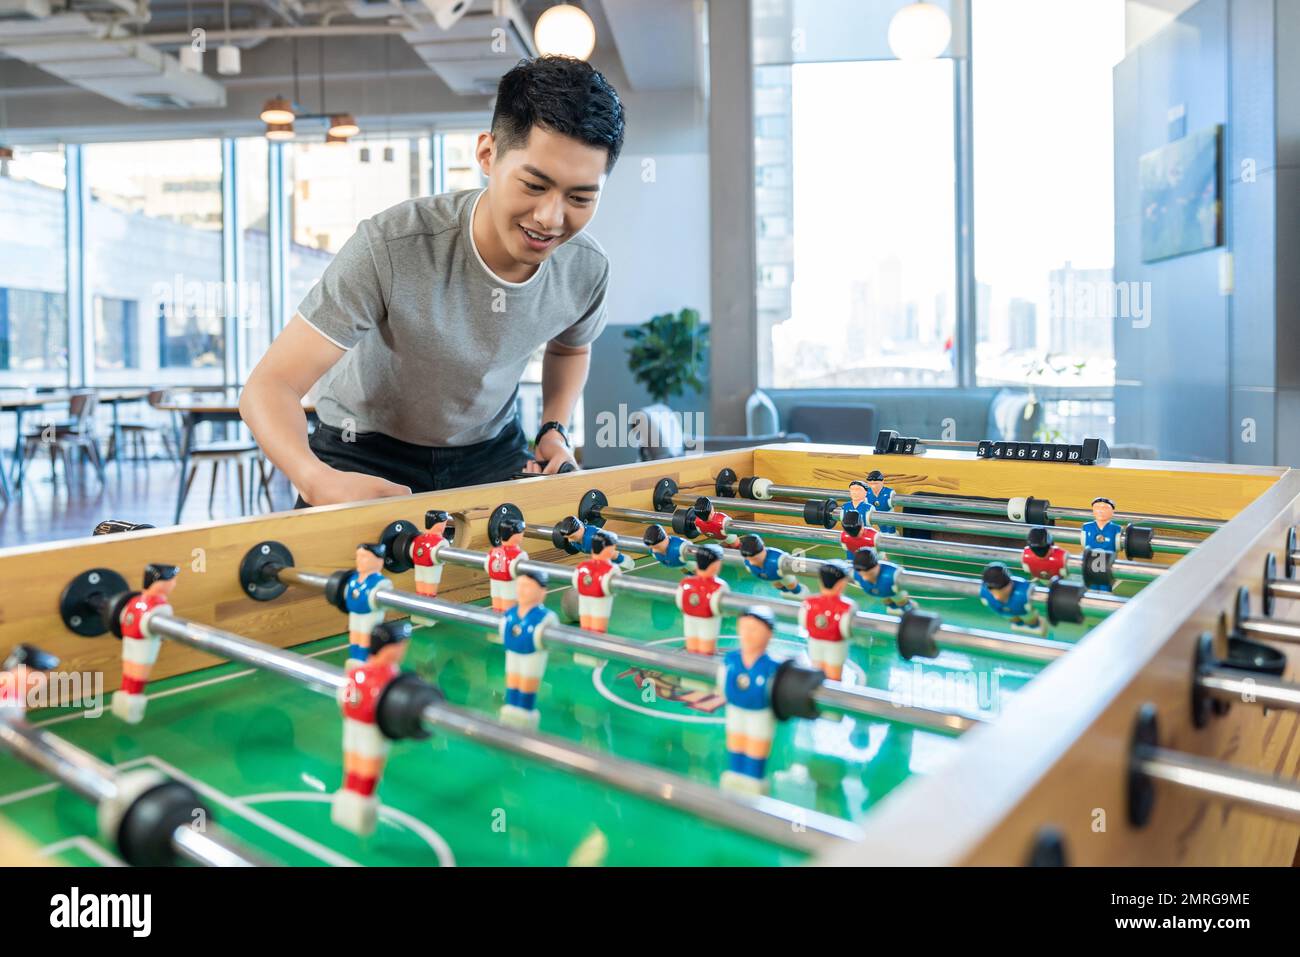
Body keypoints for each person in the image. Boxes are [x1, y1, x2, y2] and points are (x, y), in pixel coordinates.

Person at [240, 56, 626, 506]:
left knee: (515, 578)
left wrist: (553, 428)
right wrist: (313, 478)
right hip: (363, 449)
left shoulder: (586, 267)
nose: (550, 218)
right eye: (534, 186)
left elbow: (571, 346)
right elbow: (270, 386)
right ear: (487, 154)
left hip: (491, 453)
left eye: (580, 197)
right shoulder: (390, 245)